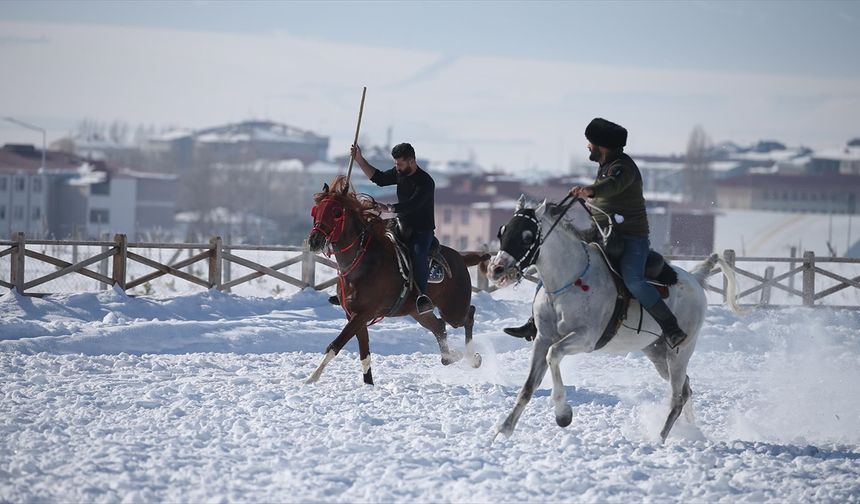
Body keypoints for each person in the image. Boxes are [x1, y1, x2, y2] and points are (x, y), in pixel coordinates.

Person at [504, 118, 687, 348]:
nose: (587, 146)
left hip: (631, 238)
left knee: (634, 281)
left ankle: (672, 328)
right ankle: (535, 322)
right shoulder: (605, 167)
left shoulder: (623, 168)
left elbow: (613, 185)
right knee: (558, 265)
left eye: (590, 143)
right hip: (602, 234)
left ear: (601, 145)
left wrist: (590, 190)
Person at [351, 142, 437, 315]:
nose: (396, 167)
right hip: (401, 225)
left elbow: (413, 205)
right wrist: (359, 159)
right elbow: (380, 179)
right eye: (395, 163)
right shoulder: (400, 173)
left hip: (422, 230)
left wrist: (388, 209)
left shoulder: (426, 182)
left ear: (412, 161)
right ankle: (354, 287)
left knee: (417, 254)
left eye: (399, 164)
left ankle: (422, 296)